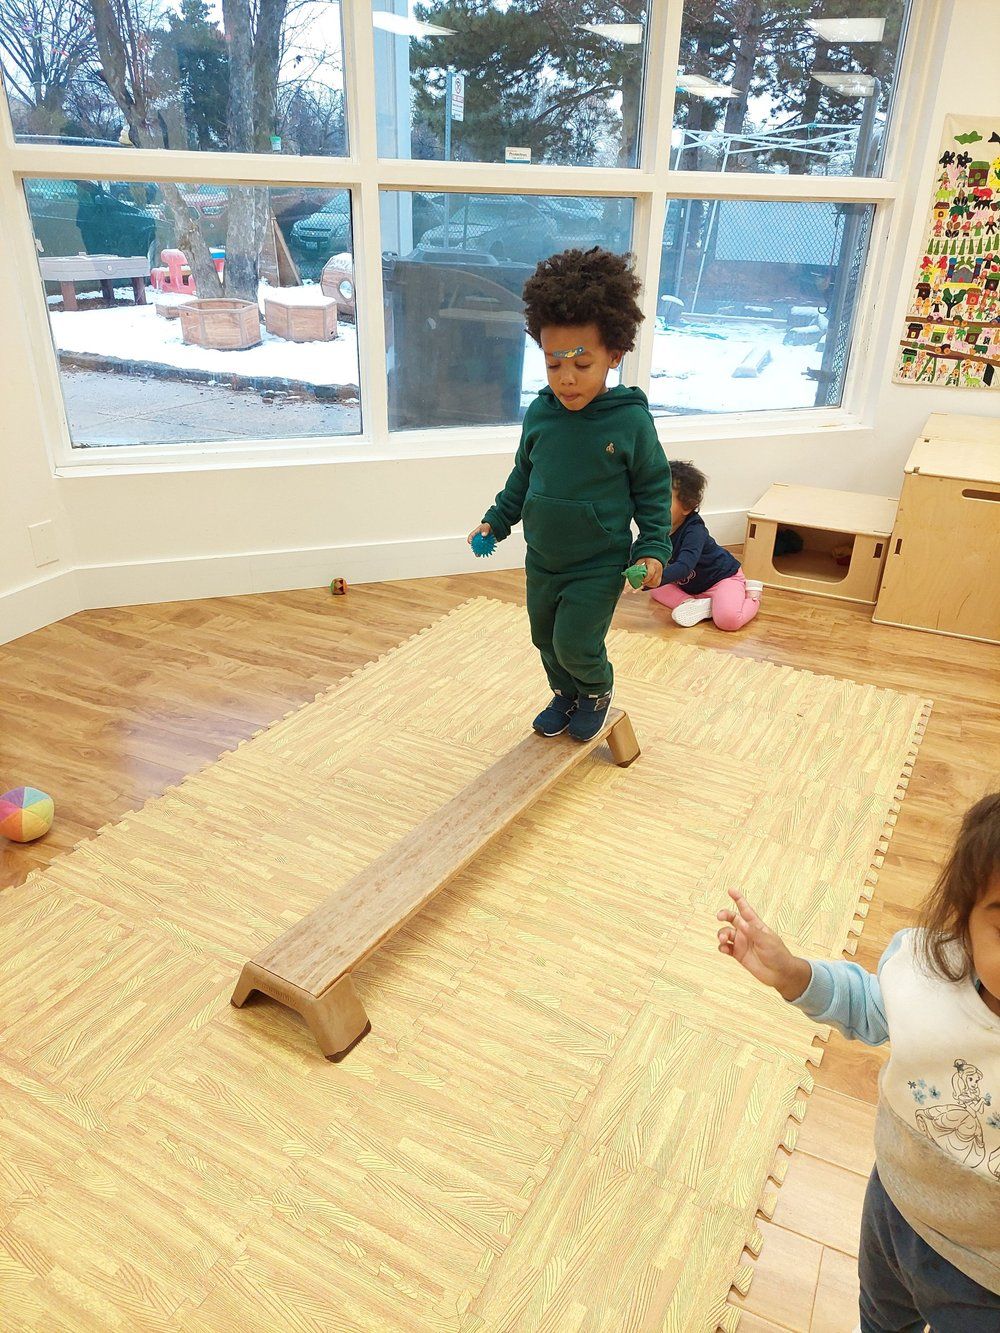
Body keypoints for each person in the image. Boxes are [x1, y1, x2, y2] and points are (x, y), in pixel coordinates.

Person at [715, 793, 1000, 1331]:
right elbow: (871, 1005)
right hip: (894, 1204)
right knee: (880, 1315)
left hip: (986, 1276)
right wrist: (793, 973)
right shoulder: (927, 974)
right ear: (963, 922)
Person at [469, 248, 672, 742]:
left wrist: (652, 549)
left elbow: (652, 489)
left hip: (597, 563)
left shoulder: (628, 421)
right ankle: (565, 695)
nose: (566, 377)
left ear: (615, 355)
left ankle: (596, 691)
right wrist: (496, 519)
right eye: (553, 361)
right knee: (545, 640)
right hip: (543, 558)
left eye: (583, 363)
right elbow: (523, 476)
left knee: (576, 642)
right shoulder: (540, 414)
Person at [648, 460, 763, 630]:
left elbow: (684, 566)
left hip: (721, 580)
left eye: (664, 500)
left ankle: (752, 596)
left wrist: (654, 577)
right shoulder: (656, 527)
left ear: (687, 506)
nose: (655, 506)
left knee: (727, 621)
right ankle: (695, 605)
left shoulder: (695, 531)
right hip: (689, 587)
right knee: (656, 589)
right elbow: (643, 550)